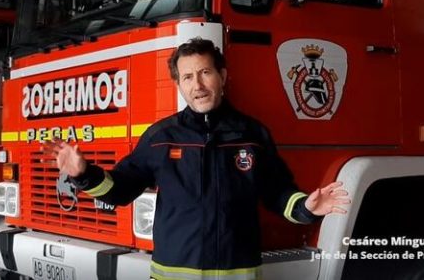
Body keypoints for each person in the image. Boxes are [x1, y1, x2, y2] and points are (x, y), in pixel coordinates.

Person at [45, 38, 350, 280]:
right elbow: (120, 189)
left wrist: (305, 207)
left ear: (222, 76)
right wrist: (83, 173)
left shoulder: (252, 134)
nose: (198, 85)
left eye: (205, 73)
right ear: (179, 85)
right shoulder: (160, 137)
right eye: (188, 77)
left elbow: (278, 191)